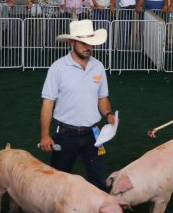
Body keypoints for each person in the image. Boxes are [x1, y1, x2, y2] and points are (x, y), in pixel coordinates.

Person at [39, 19, 116, 192]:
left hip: (93, 134)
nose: (89, 47)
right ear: (72, 42)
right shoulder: (57, 68)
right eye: (84, 42)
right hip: (65, 134)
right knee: (57, 183)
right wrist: (45, 135)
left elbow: (102, 98)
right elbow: (47, 103)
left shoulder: (98, 67)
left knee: (100, 182)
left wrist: (108, 114)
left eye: (91, 43)